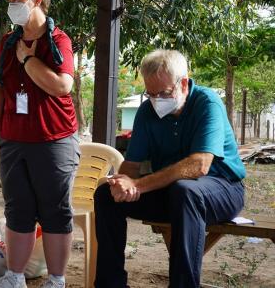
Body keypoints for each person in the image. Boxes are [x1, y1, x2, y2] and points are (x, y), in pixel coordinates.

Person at [94, 49, 246, 288]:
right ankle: (110, 284)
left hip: (223, 190)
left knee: (185, 191)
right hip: (173, 193)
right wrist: (121, 183)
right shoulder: (147, 112)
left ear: (183, 83)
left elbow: (200, 164)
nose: (156, 100)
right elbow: (132, 165)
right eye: (150, 94)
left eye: (163, 93)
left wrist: (139, 185)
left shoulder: (207, 103)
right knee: (105, 195)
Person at [0, 0, 79, 288]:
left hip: (54, 139)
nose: (11, 6)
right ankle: (15, 277)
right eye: (9, 0)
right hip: (14, 139)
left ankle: (56, 280)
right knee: (18, 210)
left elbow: (62, 86)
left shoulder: (58, 41)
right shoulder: (7, 42)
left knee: (56, 210)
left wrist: (28, 60)